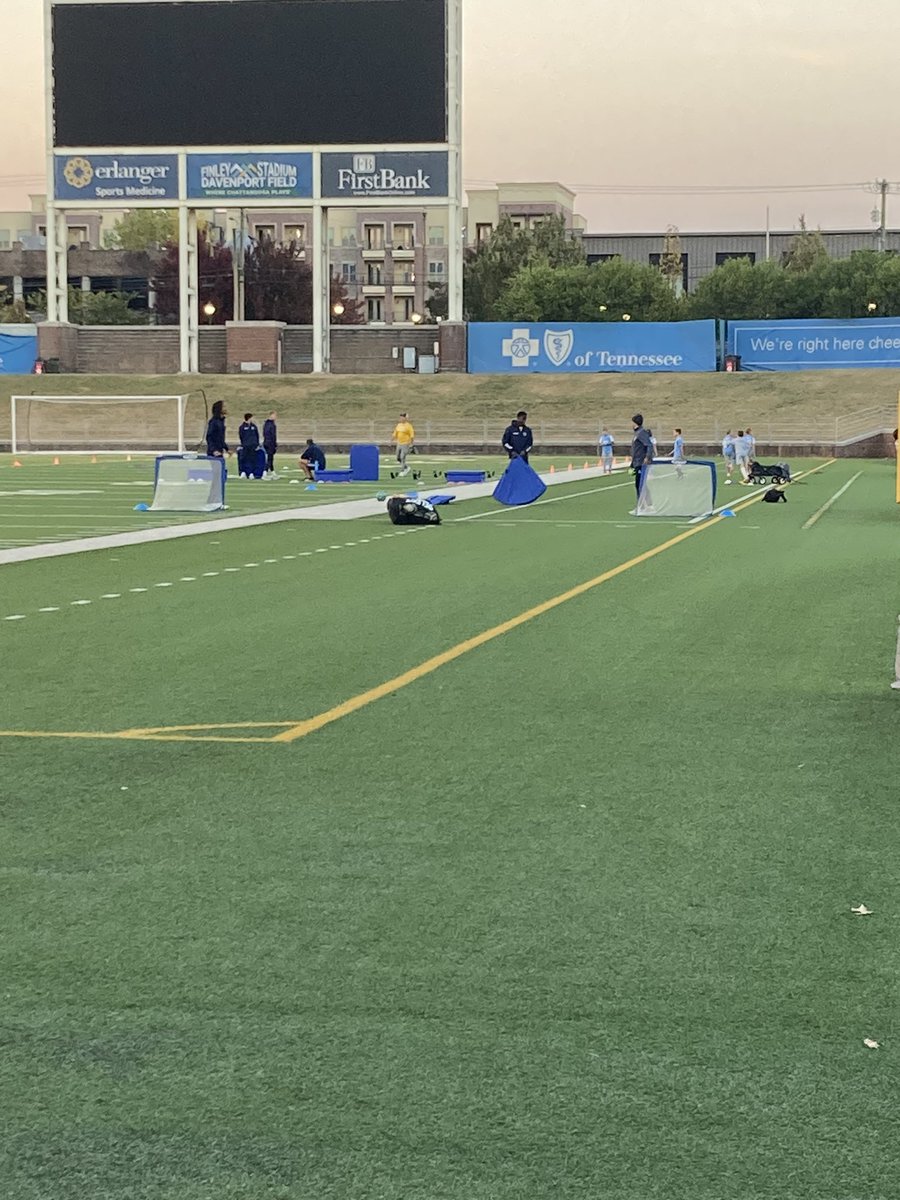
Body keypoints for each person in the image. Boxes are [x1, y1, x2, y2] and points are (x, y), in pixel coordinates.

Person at [629, 412, 654, 509]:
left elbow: (649, 445)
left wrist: (647, 457)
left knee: (640, 484)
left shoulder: (641, 433)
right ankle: (647, 504)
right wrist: (632, 464)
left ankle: (643, 505)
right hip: (636, 462)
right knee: (641, 484)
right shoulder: (637, 433)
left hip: (641, 462)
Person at [392, 412, 416, 477]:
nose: (401, 419)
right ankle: (406, 467)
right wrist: (392, 440)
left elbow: (412, 435)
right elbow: (395, 433)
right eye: (400, 417)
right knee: (398, 458)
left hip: (406, 444)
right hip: (399, 443)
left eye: (402, 417)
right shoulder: (398, 425)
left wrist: (411, 444)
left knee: (402, 457)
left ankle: (403, 470)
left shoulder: (409, 426)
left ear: (405, 418)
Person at [238, 412, 261, 479]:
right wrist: (243, 443)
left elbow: (257, 435)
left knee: (252, 459)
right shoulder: (242, 427)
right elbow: (241, 436)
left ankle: (251, 473)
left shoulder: (254, 426)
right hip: (245, 446)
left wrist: (257, 444)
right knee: (244, 459)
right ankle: (243, 472)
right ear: (249, 418)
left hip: (253, 446)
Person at [263, 410, 278, 479]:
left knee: (271, 458)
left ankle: (273, 472)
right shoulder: (270, 424)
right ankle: (265, 473)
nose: (276, 417)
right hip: (269, 443)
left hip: (268, 442)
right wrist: (273, 443)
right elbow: (271, 435)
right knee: (269, 458)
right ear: (271, 415)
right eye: (275, 415)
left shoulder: (268, 424)